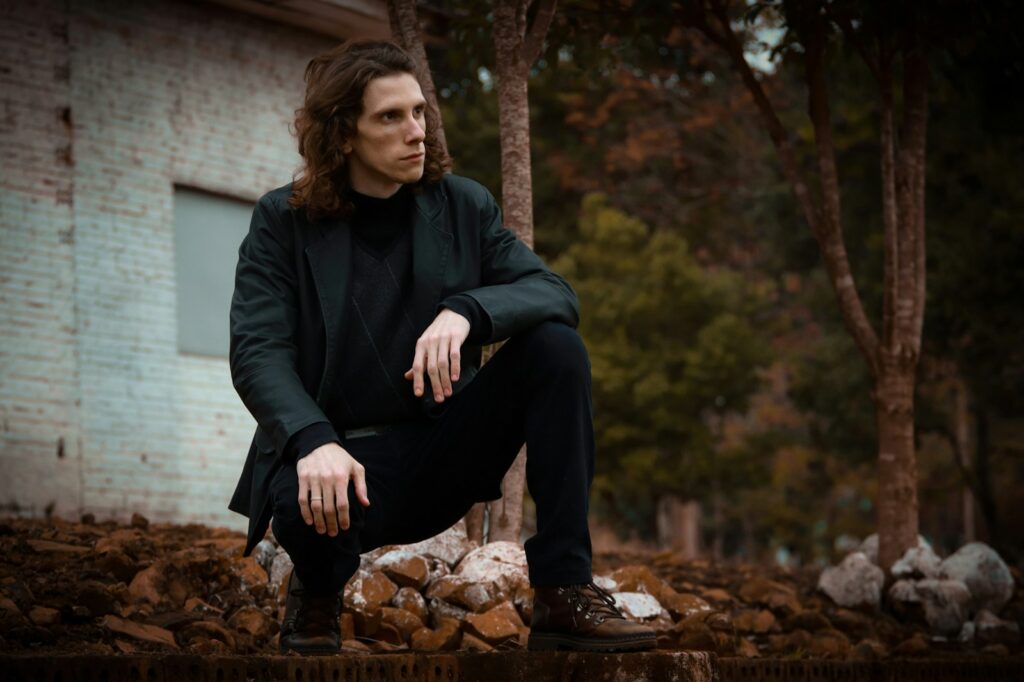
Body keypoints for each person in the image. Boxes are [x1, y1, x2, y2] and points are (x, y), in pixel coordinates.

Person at [227, 39, 656, 654]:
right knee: (303, 495)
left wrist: (467, 311)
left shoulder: (462, 206)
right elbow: (257, 351)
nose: (417, 132)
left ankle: (563, 592)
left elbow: (555, 293)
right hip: (343, 461)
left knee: (556, 347)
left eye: (419, 112)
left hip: (444, 448)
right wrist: (312, 440)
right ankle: (316, 592)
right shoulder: (282, 221)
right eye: (391, 117)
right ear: (343, 134)